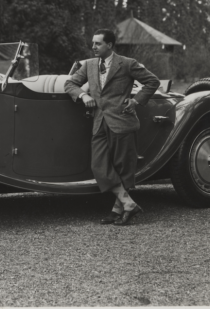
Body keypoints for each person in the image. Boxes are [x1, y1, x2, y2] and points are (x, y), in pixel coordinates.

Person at [65, 29, 159, 226]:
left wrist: (135, 101)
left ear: (109, 45)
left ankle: (118, 210)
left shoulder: (127, 63)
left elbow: (152, 81)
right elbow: (70, 83)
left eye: (98, 44)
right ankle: (128, 203)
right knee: (98, 165)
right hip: (99, 121)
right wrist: (84, 95)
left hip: (123, 121)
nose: (93, 47)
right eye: (93, 43)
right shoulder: (89, 65)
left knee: (123, 168)